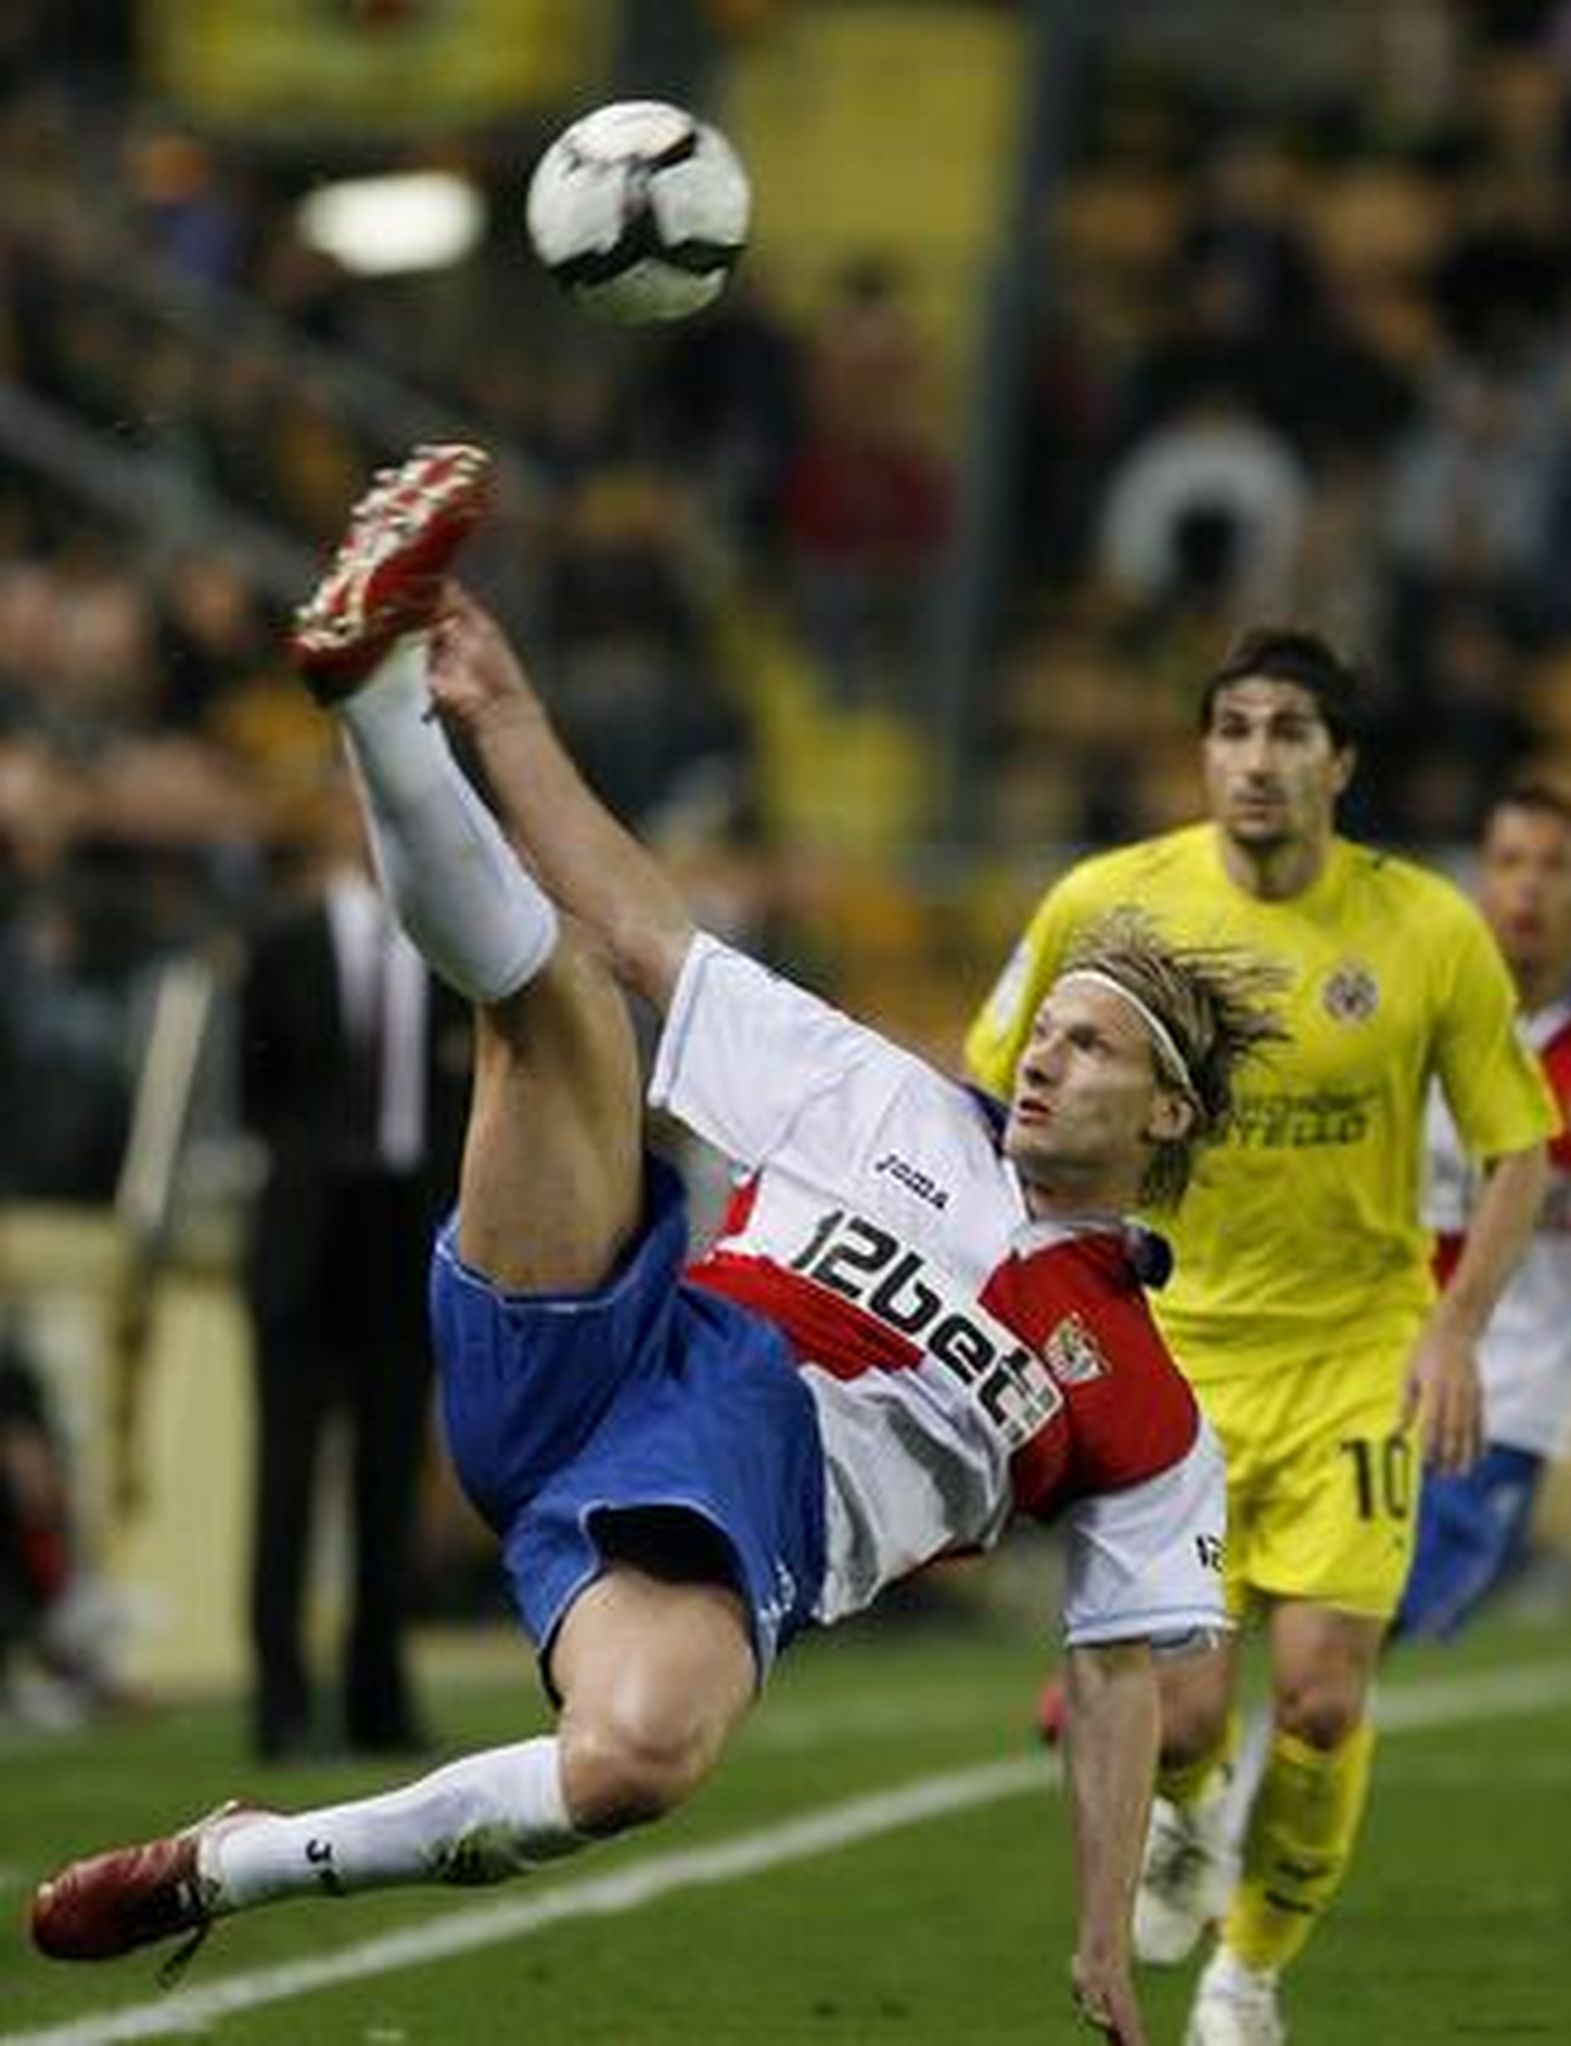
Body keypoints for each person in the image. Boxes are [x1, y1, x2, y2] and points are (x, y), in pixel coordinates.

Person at [30, 445, 1290, 2046]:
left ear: (1170, 1116)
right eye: (1046, 1030)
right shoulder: (890, 1099)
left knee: (636, 1762)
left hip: (730, 1517)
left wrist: (1104, 1932)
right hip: (622, 1336)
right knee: (558, 999)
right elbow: (650, 932)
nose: (1043, 1058)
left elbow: (1120, 1677)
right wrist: (502, 711)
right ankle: (375, 698)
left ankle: (236, 1862)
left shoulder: (1152, 1411)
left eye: (1094, 1049)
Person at [965, 627, 1555, 2046]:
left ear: (1340, 762)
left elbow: (1517, 1145)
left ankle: (1250, 1971)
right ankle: (1180, 1812)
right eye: (1233, 726)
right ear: (1205, 750)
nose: (1257, 757)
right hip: (1175, 1359)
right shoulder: (1111, 903)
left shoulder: (1427, 928)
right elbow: (993, 1099)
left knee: (1327, 1699)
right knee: (1176, 1718)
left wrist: (1459, 1328)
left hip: (1359, 1358)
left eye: (1291, 729)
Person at [237, 775, 469, 1759]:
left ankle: (379, 1694)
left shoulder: (447, 958)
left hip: (403, 1236)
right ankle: (281, 1699)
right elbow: (256, 1095)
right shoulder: (281, 946)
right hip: (304, 1239)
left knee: (386, 1479)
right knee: (285, 1478)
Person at [1395, 782, 1571, 1638]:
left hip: (1510, 1393)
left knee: (1398, 1613)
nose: (1529, 888)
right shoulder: (1414, 1017)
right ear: (1480, 881)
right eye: (1510, 863)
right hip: (1356, 1360)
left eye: (1554, 866)